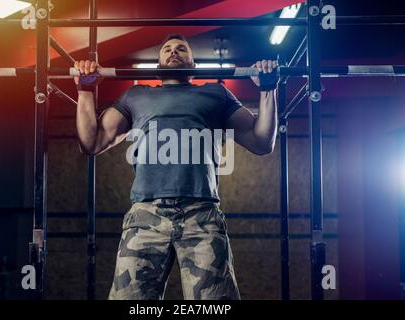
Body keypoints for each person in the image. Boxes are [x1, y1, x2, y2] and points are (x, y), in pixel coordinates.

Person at [74, 34, 278, 300]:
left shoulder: (216, 93)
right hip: (146, 215)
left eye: (181, 48)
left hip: (201, 215)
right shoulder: (136, 96)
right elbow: (92, 142)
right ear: (158, 64)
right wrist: (85, 90)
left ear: (193, 64)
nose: (173, 52)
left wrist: (268, 88)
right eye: (167, 49)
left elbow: (261, 141)